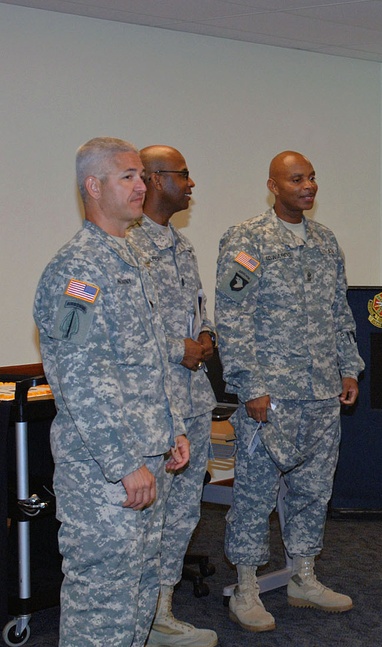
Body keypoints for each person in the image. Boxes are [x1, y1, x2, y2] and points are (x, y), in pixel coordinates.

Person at [33, 137, 190, 646]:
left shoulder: (131, 259)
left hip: (150, 457)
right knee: (102, 601)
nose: (141, 185)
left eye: (142, 175)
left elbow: (151, 363)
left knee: (140, 594)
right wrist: (124, 463)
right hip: (107, 472)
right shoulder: (78, 270)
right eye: (127, 176)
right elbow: (77, 377)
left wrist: (174, 431)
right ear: (93, 187)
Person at [215, 151, 363, 633]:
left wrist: (349, 367)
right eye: (296, 179)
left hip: (321, 391)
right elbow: (232, 318)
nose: (308, 186)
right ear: (273, 186)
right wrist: (250, 385)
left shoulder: (325, 240)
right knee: (255, 494)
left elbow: (340, 311)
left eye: (313, 178)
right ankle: (246, 585)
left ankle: (303, 575)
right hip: (271, 395)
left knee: (313, 489)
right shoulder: (247, 239)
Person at [126, 145, 218, 647]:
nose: (191, 183)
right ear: (155, 179)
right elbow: (123, 331)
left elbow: (195, 312)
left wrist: (206, 338)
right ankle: (139, 616)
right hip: (152, 406)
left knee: (183, 511)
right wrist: (173, 346)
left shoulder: (181, 246)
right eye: (184, 174)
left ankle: (163, 611)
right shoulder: (128, 245)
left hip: (193, 400)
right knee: (150, 512)